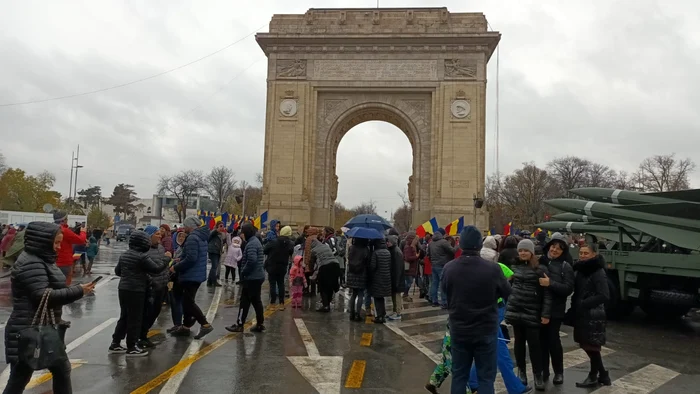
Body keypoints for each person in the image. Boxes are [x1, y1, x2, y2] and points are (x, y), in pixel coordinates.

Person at [3, 222, 93, 394]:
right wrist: (78, 291)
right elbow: (43, 296)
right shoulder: (32, 263)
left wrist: (76, 290)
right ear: (42, 241)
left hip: (36, 327)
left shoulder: (41, 259)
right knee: (22, 376)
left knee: (56, 370)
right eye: (56, 243)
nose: (59, 247)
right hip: (29, 329)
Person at [441, 226, 511, 394]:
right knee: (486, 377)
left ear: (461, 244)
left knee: (459, 376)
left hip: (459, 329)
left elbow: (445, 295)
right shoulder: (493, 269)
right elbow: (507, 292)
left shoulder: (449, 268)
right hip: (486, 329)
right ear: (480, 245)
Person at [109, 230, 167, 357]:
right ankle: (132, 346)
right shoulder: (142, 256)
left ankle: (115, 342)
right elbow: (156, 269)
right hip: (136, 290)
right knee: (135, 318)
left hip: (123, 288)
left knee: (124, 316)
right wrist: (167, 259)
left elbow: (118, 271)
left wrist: (130, 274)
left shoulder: (125, 255)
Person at [505, 239, 552, 391]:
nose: (523, 253)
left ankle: (537, 374)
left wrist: (545, 314)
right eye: (520, 250)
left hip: (532, 312)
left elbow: (547, 294)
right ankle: (522, 372)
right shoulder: (514, 267)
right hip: (516, 310)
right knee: (518, 344)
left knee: (534, 345)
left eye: (525, 250)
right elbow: (508, 287)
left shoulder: (540, 269)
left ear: (531, 252)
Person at [571, 243, 611, 388]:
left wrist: (583, 303)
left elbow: (604, 295)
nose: (582, 255)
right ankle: (603, 375)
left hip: (593, 314)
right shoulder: (581, 270)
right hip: (584, 313)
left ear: (594, 254)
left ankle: (594, 376)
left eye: (586, 253)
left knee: (592, 347)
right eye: (581, 253)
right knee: (588, 345)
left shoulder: (597, 271)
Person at [538, 233, 574, 385]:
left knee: (553, 341)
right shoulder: (541, 261)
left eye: (559, 249)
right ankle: (544, 370)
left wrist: (550, 283)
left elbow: (568, 288)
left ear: (563, 251)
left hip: (556, 310)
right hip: (539, 308)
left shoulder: (566, 266)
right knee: (541, 342)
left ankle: (558, 372)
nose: (554, 250)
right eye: (553, 247)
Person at [170, 217, 214, 339]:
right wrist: (181, 258)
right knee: (187, 301)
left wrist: (176, 267)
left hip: (191, 274)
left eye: (185, 226)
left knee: (188, 302)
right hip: (197, 274)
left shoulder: (193, 238)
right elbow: (193, 255)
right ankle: (186, 326)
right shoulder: (202, 236)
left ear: (190, 226)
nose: (183, 228)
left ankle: (205, 324)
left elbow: (191, 259)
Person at [226, 223, 266, 333]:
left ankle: (240, 324)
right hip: (258, 276)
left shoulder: (252, 244)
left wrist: (244, 271)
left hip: (252, 277)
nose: (241, 235)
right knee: (256, 301)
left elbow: (252, 260)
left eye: (242, 233)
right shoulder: (255, 241)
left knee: (244, 301)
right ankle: (260, 323)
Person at [138, 226, 172, 348]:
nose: (160, 236)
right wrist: (166, 259)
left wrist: (167, 278)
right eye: (157, 234)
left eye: (160, 234)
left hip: (161, 286)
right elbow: (152, 267)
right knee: (147, 312)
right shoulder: (144, 250)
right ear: (149, 235)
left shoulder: (161, 248)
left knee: (156, 312)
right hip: (151, 287)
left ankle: (143, 335)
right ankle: (141, 336)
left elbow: (163, 266)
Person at [54, 211, 87, 286]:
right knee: (65, 285)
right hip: (64, 262)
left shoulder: (51, 228)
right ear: (63, 220)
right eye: (66, 219)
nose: (67, 220)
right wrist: (83, 232)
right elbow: (81, 240)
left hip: (53, 261)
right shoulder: (64, 230)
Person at [264, 225, 294, 310]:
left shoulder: (274, 241)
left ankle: (272, 304)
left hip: (272, 265)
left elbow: (265, 250)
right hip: (283, 265)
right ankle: (281, 303)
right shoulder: (290, 243)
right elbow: (291, 252)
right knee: (281, 284)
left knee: (272, 284)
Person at [309, 233, 341, 312]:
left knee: (322, 286)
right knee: (330, 286)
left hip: (325, 267)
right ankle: (328, 304)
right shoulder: (325, 246)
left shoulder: (313, 250)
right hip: (336, 265)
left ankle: (325, 306)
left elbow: (311, 263)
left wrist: (311, 272)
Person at [427, 228, 455, 309]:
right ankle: (444, 302)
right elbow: (452, 251)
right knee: (443, 283)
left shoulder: (431, 243)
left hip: (434, 265)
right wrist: (457, 246)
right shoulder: (443, 242)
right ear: (442, 234)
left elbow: (428, 254)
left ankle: (434, 301)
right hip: (442, 265)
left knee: (434, 283)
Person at [168, 230, 187, 334]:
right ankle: (177, 324)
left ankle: (179, 324)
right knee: (176, 302)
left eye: (183, 237)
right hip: (177, 276)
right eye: (179, 237)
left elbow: (182, 261)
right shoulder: (179, 247)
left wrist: (174, 263)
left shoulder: (184, 248)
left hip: (180, 277)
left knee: (177, 302)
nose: (181, 239)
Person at [368, 238, 392, 324]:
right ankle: (383, 314)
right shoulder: (388, 252)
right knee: (381, 297)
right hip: (386, 278)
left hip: (377, 278)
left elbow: (373, 267)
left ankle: (379, 317)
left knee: (377, 298)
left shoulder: (376, 253)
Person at [346, 238, 370, 321]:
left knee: (353, 294)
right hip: (362, 273)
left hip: (352, 273)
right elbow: (367, 261)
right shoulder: (366, 249)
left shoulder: (351, 248)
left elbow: (348, 258)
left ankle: (351, 313)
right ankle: (357, 314)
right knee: (360, 294)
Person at [386, 235, 405, 320]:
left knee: (397, 295)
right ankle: (395, 311)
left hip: (397, 278)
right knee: (394, 295)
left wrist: (396, 280)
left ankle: (398, 312)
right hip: (394, 277)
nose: (387, 243)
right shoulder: (393, 250)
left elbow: (398, 267)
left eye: (388, 241)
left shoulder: (396, 252)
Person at [207, 222, 225, 287]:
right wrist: (216, 230)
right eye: (220, 226)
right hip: (213, 251)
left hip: (217, 251)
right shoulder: (214, 232)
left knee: (214, 267)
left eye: (222, 226)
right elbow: (211, 235)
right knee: (214, 267)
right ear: (217, 226)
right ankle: (214, 281)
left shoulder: (220, 234)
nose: (222, 227)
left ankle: (209, 281)